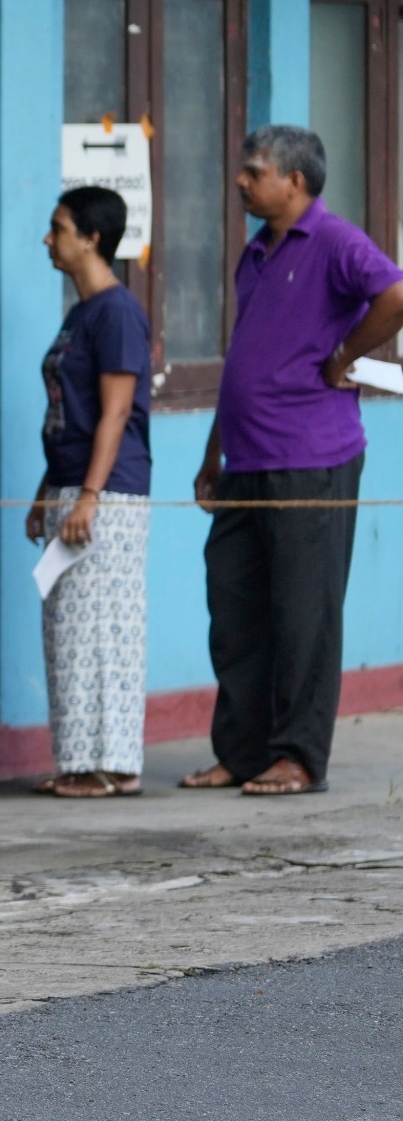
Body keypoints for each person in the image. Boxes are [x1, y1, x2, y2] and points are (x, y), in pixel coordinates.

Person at [184, 126, 403, 797]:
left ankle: (299, 756)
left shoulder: (334, 241)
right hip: (246, 459)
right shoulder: (254, 253)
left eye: (254, 171)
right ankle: (243, 752)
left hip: (313, 456)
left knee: (305, 612)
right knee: (235, 606)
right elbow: (245, 354)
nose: (242, 181)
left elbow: (394, 296)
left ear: (295, 181)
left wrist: (343, 358)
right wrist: (212, 451)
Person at [24, 187, 154, 799]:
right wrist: (48, 489)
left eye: (59, 228)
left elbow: (116, 410)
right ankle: (85, 762)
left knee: (104, 629)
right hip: (74, 485)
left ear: (92, 237)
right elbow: (67, 413)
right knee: (70, 628)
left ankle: (107, 765)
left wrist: (90, 496)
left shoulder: (116, 311)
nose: (50, 240)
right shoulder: (79, 313)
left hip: (108, 493)